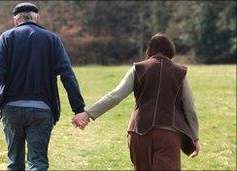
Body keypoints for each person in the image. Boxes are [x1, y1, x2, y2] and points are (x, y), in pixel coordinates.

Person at [0, 2, 85, 170]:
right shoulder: (52, 39)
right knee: (38, 163)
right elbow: (67, 75)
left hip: (12, 109)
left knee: (14, 163)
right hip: (42, 110)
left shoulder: (6, 38)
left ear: (16, 20)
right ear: (37, 19)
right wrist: (78, 109)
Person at [72, 33, 201, 170]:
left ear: (149, 50)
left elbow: (115, 96)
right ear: (171, 51)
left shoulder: (138, 69)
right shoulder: (180, 73)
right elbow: (190, 109)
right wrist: (195, 138)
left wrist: (87, 114)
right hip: (168, 134)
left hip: (138, 132)